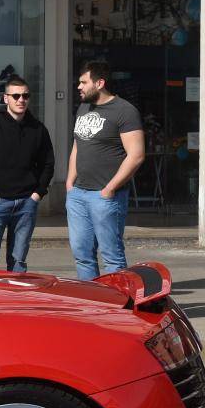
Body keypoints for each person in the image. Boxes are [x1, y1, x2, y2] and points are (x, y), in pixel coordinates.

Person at [66, 61, 145, 281]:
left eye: (83, 82)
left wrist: (110, 189)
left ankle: (118, 307)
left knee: (112, 257)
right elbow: (77, 145)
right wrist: (70, 182)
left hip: (105, 197)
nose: (79, 87)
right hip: (78, 194)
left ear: (100, 83)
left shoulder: (124, 111)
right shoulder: (83, 108)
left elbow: (136, 155)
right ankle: (92, 305)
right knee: (82, 254)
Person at [0, 76, 54, 274]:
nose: (21, 100)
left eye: (25, 95)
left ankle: (16, 302)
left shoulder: (38, 129)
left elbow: (48, 164)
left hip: (26, 203)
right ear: (5, 98)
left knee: (18, 265)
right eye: (15, 96)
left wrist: (37, 194)